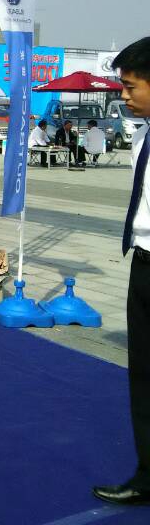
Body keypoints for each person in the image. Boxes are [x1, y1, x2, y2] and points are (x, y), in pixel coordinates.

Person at [93, 36, 150, 506]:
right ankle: (147, 474)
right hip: (144, 262)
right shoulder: (143, 133)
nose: (123, 96)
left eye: (131, 86)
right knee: (144, 376)